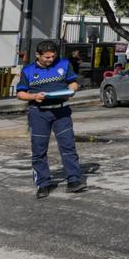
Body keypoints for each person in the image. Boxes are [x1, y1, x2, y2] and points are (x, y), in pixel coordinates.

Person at [16, 39, 87, 199]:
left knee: (68, 147)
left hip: (61, 112)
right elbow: (20, 93)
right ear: (38, 55)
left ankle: (74, 180)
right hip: (38, 113)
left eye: (53, 57)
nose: (50, 60)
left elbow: (73, 83)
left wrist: (71, 90)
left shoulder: (64, 64)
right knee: (39, 150)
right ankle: (43, 183)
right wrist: (34, 96)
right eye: (47, 57)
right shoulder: (28, 70)